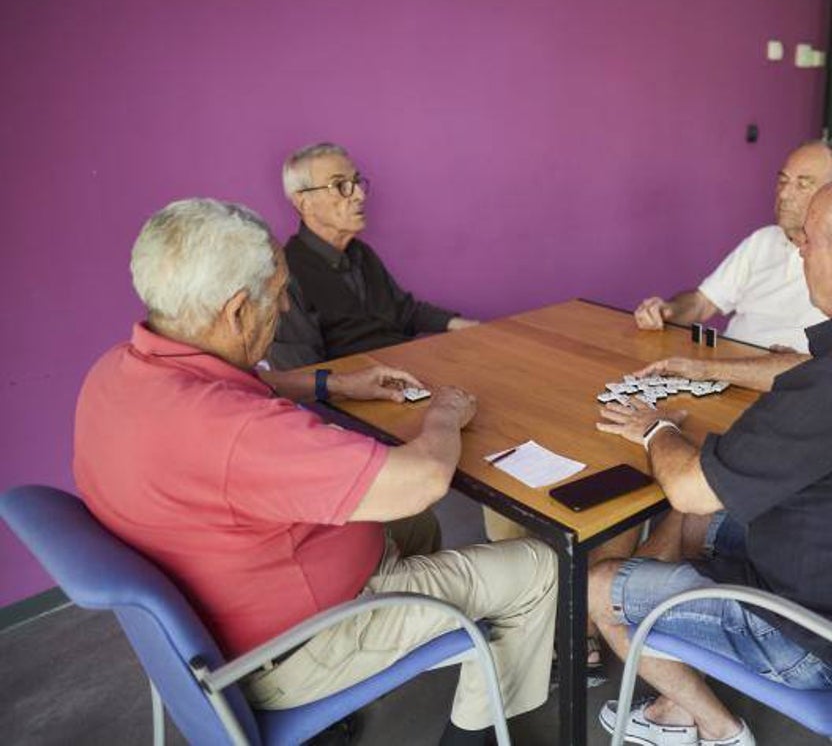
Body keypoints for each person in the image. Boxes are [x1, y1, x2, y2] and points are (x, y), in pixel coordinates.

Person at [73, 199, 556, 746]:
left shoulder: (116, 373)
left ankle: (431, 648)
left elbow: (225, 388)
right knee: (537, 568)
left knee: (415, 528)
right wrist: (445, 413)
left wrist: (332, 385)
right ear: (236, 311)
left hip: (221, 612)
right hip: (292, 650)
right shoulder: (236, 432)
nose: (282, 309)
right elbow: (422, 478)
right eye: (278, 294)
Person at [590, 174, 832, 745]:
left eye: (808, 240)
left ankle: (716, 727)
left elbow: (689, 487)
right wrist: (706, 369)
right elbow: (808, 373)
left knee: (600, 581)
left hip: (814, 641)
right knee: (699, 521)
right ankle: (668, 676)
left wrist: (658, 428)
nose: (798, 249)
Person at [268, 142, 479, 371]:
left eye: (356, 182)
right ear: (304, 202)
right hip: (357, 391)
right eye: (340, 185)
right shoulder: (286, 274)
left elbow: (403, 311)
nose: (359, 195)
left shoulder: (361, 253)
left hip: (406, 370)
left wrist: (463, 325)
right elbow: (303, 375)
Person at [632, 140, 832, 352]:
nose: (784, 195)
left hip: (787, 381)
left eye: (802, 184)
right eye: (782, 181)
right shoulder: (763, 241)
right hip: (724, 369)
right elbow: (702, 303)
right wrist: (667, 311)